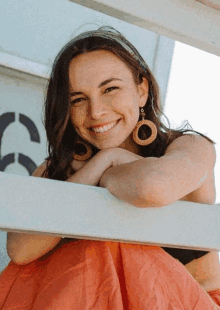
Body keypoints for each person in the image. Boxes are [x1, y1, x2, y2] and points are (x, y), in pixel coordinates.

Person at [0, 26, 219, 309]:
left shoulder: (188, 148)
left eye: (110, 89)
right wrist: (101, 164)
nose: (96, 111)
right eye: (78, 99)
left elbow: (151, 187)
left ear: (142, 91)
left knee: (105, 247)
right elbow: (19, 250)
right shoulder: (56, 169)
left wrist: (112, 159)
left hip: (190, 303)